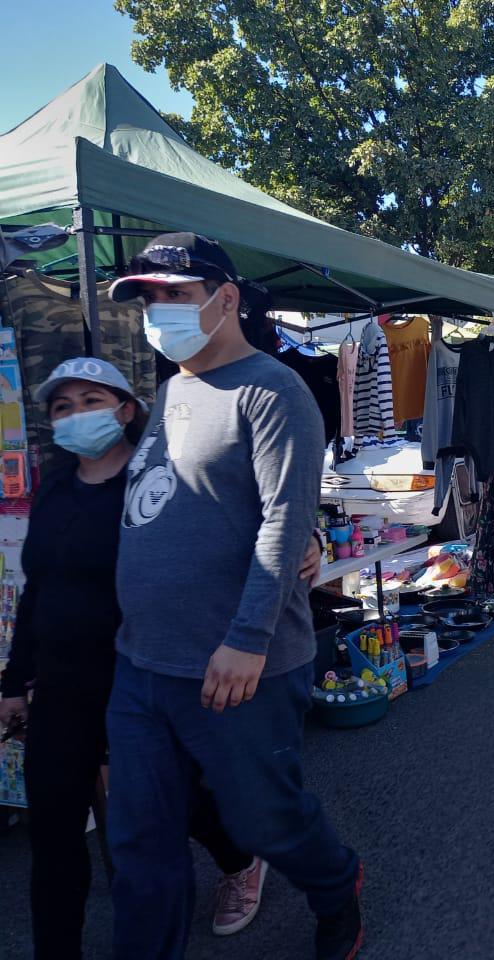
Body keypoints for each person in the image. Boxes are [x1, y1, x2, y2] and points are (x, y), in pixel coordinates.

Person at [0, 357, 323, 957]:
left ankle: (242, 859)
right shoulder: (53, 490)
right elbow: (37, 589)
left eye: (92, 402)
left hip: (144, 671)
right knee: (58, 835)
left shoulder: (158, 480)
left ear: (127, 411)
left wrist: (311, 537)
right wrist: (14, 682)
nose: (76, 416)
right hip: (65, 689)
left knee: (185, 805)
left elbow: (244, 521)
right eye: (63, 407)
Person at [103, 234, 363, 960]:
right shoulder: (172, 389)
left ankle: (336, 882)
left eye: (172, 296)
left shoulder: (273, 391)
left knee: (264, 822)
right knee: (141, 836)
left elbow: (287, 518)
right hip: (144, 662)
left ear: (225, 299)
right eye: (149, 299)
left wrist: (248, 636)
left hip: (240, 666)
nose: (157, 312)